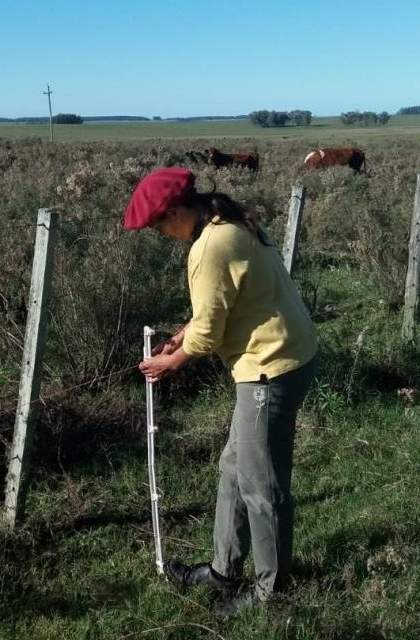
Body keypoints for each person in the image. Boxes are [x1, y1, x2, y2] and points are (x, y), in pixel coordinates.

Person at [123, 167, 319, 616]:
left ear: (175, 212)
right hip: (284, 354)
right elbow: (220, 305)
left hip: (270, 370)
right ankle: (223, 569)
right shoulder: (230, 222)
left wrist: (168, 362)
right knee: (234, 466)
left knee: (262, 488)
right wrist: (179, 336)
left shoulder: (210, 246)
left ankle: (272, 593)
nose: (160, 234)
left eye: (158, 225)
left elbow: (209, 335)